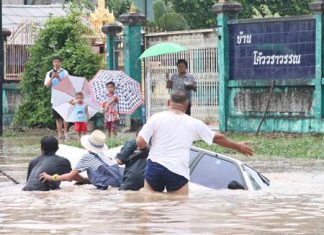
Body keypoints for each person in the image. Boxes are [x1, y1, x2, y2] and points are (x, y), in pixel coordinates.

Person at [136, 90, 254, 196]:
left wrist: (144, 148)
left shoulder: (155, 118)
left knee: (150, 205)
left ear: (168, 103)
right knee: (178, 210)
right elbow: (218, 138)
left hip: (155, 167)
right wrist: (238, 146)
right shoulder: (193, 123)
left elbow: (140, 141)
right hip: (177, 170)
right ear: (186, 105)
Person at [39, 130, 123, 190]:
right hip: (122, 181)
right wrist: (86, 180)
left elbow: (69, 177)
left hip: (108, 187)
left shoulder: (87, 157)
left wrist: (51, 177)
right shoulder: (104, 156)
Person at [44, 56, 70, 140]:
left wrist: (58, 77)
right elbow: (47, 86)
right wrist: (52, 77)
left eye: (58, 61)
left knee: (65, 116)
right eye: (54, 61)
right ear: (52, 63)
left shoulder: (65, 72)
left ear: (60, 62)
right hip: (55, 98)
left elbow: (67, 85)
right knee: (57, 117)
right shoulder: (49, 73)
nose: (56, 63)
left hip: (65, 96)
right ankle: (60, 134)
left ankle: (66, 133)